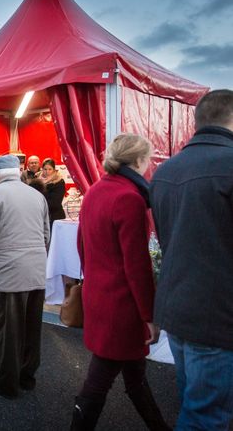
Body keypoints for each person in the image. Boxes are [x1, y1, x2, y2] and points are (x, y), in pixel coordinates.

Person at [70, 134, 169, 430]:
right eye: (148, 159)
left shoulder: (95, 191)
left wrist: (94, 281)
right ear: (139, 161)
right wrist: (149, 316)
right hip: (122, 305)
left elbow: (82, 246)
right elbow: (137, 266)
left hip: (100, 295)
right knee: (100, 379)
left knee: (133, 374)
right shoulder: (130, 198)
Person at [150, 89, 233, 431]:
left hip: (179, 306)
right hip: (217, 314)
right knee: (206, 416)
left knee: (193, 402)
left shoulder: (166, 170)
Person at [0, 154, 50, 398]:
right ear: (18, 171)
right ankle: (27, 378)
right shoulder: (37, 195)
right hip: (36, 271)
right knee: (31, 329)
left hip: (7, 273)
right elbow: (46, 235)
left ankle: (7, 383)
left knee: (8, 332)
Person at [40, 158, 66, 229]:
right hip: (41, 216)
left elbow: (56, 202)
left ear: (54, 169)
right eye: (45, 169)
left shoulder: (59, 181)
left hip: (54, 216)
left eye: (49, 169)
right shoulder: (37, 180)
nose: (47, 171)